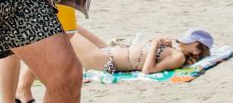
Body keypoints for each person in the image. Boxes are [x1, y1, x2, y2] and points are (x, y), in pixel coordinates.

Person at [70, 27, 213, 75]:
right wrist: (163, 45)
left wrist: (156, 44)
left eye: (188, 40)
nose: (182, 40)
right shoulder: (175, 51)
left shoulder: (178, 58)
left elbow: (148, 70)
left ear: (196, 50)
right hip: (108, 50)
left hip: (105, 60)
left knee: (65, 30)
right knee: (72, 24)